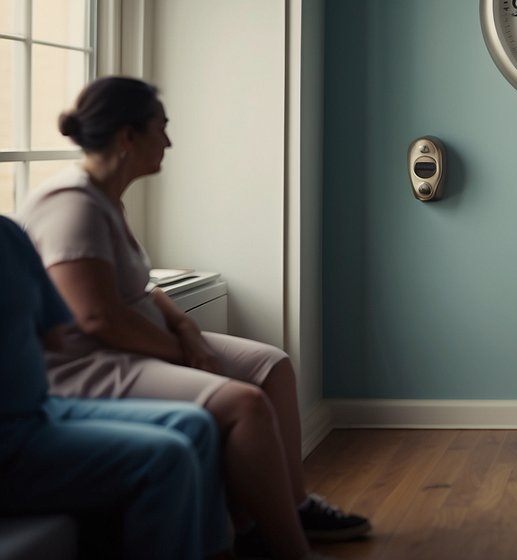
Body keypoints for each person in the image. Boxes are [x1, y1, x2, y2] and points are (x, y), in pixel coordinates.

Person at [18, 76, 369, 560]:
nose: (168, 141)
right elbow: (98, 318)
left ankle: (290, 505)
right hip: (91, 366)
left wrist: (185, 327)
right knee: (244, 404)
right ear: (127, 137)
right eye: (160, 128)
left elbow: (140, 289)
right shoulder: (71, 207)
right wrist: (185, 353)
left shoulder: (107, 198)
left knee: (272, 366)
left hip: (141, 343)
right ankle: (283, 545)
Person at [0, 215, 229, 560]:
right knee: (166, 456)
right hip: (10, 442)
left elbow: (54, 334)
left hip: (42, 408)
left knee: (195, 424)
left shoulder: (8, 232)